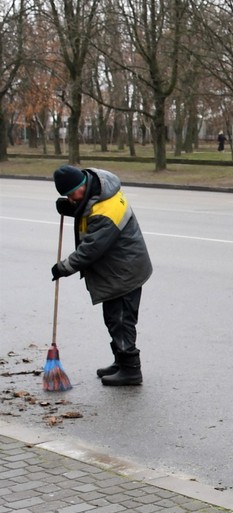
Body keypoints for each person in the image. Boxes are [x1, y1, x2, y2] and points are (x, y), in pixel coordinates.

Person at [50, 165, 154, 386]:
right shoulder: (99, 191)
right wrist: (72, 208)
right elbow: (88, 210)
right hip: (118, 269)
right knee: (113, 318)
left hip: (124, 272)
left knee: (121, 320)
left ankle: (131, 370)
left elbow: (91, 248)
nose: (71, 198)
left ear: (82, 185)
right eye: (67, 196)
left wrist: (63, 268)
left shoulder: (106, 209)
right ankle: (120, 361)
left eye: (72, 194)